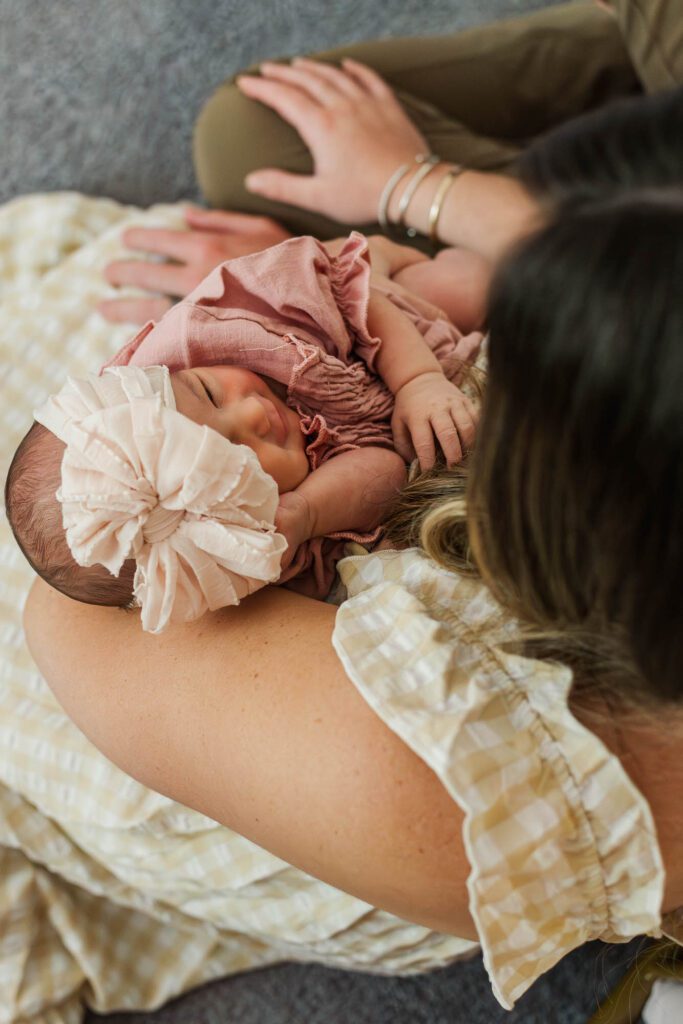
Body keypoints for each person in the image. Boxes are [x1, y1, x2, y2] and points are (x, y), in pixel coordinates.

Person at [18, 81, 683, 1021]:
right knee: (246, 137)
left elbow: (69, 616)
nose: (252, 406)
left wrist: (285, 510)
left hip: (349, 791)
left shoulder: (467, 761)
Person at [6, 232, 483, 633]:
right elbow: (388, 467)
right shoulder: (270, 537)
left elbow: (348, 298)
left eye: (209, 393)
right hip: (381, 414)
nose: (252, 414)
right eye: (242, 458)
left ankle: (402, 247)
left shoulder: (208, 339)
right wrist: (307, 511)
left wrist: (418, 381)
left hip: (383, 326)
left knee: (468, 286)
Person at [97, 0, 681, 327]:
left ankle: (633, 61)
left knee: (249, 134)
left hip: (610, 274)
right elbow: (617, 270)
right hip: (629, 275)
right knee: (264, 128)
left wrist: (306, 287)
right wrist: (406, 183)